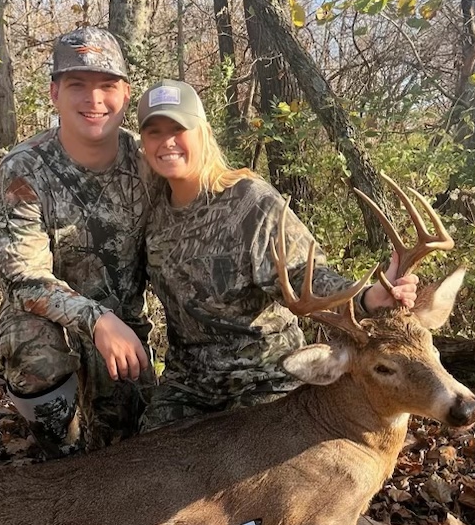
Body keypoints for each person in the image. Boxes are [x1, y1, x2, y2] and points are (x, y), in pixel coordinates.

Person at [136, 79, 418, 429]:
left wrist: (365, 298)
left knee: (260, 457)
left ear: (203, 133)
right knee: (145, 450)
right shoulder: (151, 209)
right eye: (154, 132)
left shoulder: (250, 202)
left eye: (179, 129)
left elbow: (303, 273)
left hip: (265, 379)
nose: (167, 142)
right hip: (189, 387)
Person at [0, 26, 156, 459]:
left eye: (107, 86)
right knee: (33, 349)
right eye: (77, 85)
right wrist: (97, 320)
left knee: (129, 450)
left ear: (125, 94)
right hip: (56, 326)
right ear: (54, 93)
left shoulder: (147, 165)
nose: (94, 99)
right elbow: (25, 280)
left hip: (123, 332)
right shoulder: (23, 169)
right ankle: (60, 458)